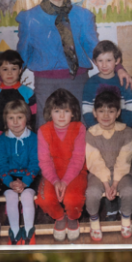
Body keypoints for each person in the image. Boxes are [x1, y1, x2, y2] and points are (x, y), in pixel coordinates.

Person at [15, 0, 130, 127]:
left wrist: (118, 68)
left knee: (79, 125)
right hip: (45, 81)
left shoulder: (83, 16)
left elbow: (95, 49)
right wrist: (1, 80)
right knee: (45, 126)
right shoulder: (30, 18)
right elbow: (21, 56)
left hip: (77, 79)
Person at [84, 87, 132, 241]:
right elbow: (94, 161)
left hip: (123, 172)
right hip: (98, 173)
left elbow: (124, 160)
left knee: (128, 190)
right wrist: (107, 185)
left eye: (111, 111)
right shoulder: (91, 133)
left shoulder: (127, 133)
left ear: (118, 113)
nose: (106, 115)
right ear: (94, 113)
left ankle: (125, 218)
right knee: (92, 193)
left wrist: (115, 183)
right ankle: (94, 220)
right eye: (101, 111)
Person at [35, 88, 87, 241]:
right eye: (57, 111)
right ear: (50, 112)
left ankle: (72, 217)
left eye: (66, 111)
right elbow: (44, 161)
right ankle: (59, 217)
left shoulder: (79, 128)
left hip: (75, 172)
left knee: (73, 198)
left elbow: (78, 159)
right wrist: (56, 181)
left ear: (73, 112)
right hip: (52, 173)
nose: (62, 116)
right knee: (44, 198)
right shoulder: (43, 130)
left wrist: (65, 182)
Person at [0, 98, 39, 245]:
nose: (15, 122)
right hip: (10, 177)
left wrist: (25, 182)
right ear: (5, 120)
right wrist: (10, 182)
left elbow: (35, 163)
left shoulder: (33, 139)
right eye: (11, 118)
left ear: (27, 118)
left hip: (29, 176)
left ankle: (28, 230)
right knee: (11, 197)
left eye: (19, 117)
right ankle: (14, 231)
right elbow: (0, 165)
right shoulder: (2, 140)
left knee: (26, 197)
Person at [81, 41, 132, 128]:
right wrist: (97, 128)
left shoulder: (123, 81)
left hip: (122, 129)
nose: (104, 65)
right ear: (95, 62)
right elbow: (87, 111)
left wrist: (122, 127)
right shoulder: (90, 83)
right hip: (98, 129)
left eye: (108, 60)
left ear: (117, 61)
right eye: (100, 61)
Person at [0, 49, 37, 134]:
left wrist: (30, 132)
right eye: (5, 69)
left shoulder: (28, 92)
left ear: (20, 70)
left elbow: (34, 115)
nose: (9, 73)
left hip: (23, 134)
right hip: (1, 136)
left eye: (14, 69)